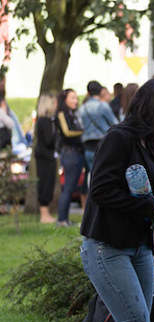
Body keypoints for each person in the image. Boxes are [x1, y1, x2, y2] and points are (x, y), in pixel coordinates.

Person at [79, 79, 154, 322]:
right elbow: (100, 190)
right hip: (107, 246)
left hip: (138, 247)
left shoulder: (149, 143)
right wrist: (150, 204)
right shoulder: (119, 138)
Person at [79, 80, 120, 185]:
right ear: (100, 91)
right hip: (103, 145)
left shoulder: (82, 108)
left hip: (87, 146)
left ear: (88, 92)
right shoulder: (103, 106)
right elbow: (116, 124)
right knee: (103, 176)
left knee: (91, 175)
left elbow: (80, 126)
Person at [56, 89, 85, 227]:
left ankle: (65, 219)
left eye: (76, 98)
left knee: (71, 186)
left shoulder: (74, 114)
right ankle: (62, 219)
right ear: (65, 99)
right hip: (70, 153)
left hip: (77, 152)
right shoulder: (62, 114)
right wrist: (84, 132)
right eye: (72, 98)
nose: (75, 101)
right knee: (68, 187)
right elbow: (67, 132)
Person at [34, 94, 58, 224]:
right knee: (45, 184)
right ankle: (44, 215)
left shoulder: (43, 121)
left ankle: (46, 214)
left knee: (47, 183)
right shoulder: (46, 121)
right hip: (46, 157)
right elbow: (49, 140)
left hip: (45, 157)